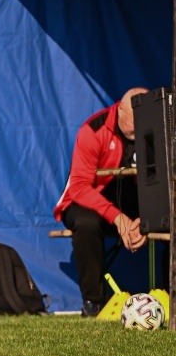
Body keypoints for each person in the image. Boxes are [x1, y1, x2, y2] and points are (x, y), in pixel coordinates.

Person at [54, 87, 148, 317]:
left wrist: (148, 220)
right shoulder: (93, 130)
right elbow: (78, 187)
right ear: (120, 108)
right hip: (88, 200)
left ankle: (170, 296)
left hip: (135, 201)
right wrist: (118, 218)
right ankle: (94, 303)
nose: (138, 131)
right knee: (86, 222)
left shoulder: (159, 130)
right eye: (133, 125)